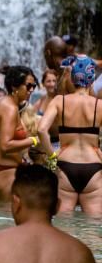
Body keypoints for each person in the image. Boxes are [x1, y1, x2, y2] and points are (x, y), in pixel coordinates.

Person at [36, 56, 102, 213]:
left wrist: (52, 156)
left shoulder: (60, 101)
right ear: (92, 80)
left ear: (72, 80)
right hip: (93, 165)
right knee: (92, 228)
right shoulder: (99, 105)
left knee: (63, 227)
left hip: (65, 165)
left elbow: (41, 130)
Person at [0, 66, 39, 201]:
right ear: (14, 87)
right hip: (1, 170)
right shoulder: (10, 109)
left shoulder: (1, 103)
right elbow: (5, 145)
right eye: (28, 86)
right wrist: (33, 140)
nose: (31, 90)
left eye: (34, 86)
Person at [35, 68, 60, 148]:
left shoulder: (61, 99)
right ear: (43, 83)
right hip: (43, 144)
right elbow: (29, 118)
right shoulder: (41, 101)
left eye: (54, 81)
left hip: (59, 143)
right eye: (48, 81)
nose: (52, 84)